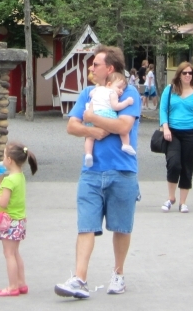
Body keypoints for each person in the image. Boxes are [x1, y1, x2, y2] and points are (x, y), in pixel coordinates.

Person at [55, 46, 141, 299]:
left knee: (121, 227)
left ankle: (118, 274)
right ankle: (79, 279)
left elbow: (123, 125)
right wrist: (92, 130)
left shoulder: (128, 92)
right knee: (86, 226)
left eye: (96, 64)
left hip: (123, 170)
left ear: (109, 68)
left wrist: (92, 117)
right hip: (91, 171)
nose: (91, 68)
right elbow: (72, 126)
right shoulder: (88, 92)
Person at [158, 62, 193, 213]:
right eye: (185, 73)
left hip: (190, 133)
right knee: (174, 163)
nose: (188, 75)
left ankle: (183, 202)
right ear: (179, 75)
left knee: (187, 166)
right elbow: (163, 110)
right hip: (172, 132)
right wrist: (165, 128)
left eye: (190, 73)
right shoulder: (170, 90)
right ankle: (171, 197)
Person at [0, 142, 38, 297]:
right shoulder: (19, 177)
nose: (2, 159)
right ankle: (21, 283)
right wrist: (0, 183)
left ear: (9, 160)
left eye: (4, 156)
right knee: (15, 252)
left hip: (9, 222)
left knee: (9, 254)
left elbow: (3, 202)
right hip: (19, 220)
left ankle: (12, 286)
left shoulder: (9, 180)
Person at [84, 71, 136, 167]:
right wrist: (127, 102)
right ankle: (126, 144)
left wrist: (97, 88)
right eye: (119, 87)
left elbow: (91, 94)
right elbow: (115, 106)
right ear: (109, 84)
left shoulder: (97, 89)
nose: (121, 91)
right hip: (107, 114)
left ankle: (88, 154)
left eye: (123, 89)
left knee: (90, 138)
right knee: (122, 129)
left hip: (94, 113)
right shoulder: (112, 93)